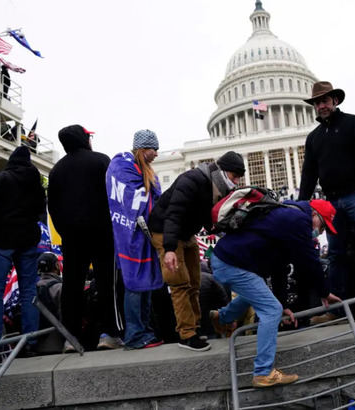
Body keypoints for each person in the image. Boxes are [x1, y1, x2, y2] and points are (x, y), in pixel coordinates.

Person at [209, 199, 341, 388]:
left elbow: (279, 268)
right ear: (314, 215)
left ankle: (222, 318)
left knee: (258, 295)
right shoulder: (298, 221)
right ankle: (263, 372)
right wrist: (324, 292)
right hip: (232, 264)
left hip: (226, 260)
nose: (320, 233)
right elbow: (310, 261)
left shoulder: (287, 215)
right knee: (271, 310)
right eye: (322, 226)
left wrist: (284, 305)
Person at [298, 81, 355, 324]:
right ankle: (337, 311)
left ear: (335, 101)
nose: (321, 105)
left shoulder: (353, 123)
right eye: (317, 102)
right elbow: (309, 173)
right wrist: (301, 205)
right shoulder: (314, 137)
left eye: (325, 100)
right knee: (336, 254)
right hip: (332, 201)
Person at [148, 151, 245, 351]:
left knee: (195, 281)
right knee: (179, 282)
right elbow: (173, 214)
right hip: (165, 231)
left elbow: (208, 217)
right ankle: (186, 334)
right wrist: (169, 249)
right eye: (234, 177)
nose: (235, 183)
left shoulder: (216, 186)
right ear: (223, 172)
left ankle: (195, 326)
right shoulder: (191, 180)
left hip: (186, 233)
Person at [48, 125, 122, 352]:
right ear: (83, 138)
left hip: (72, 236)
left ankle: (71, 338)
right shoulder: (101, 161)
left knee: (71, 287)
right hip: (102, 233)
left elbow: (53, 207)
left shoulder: (57, 170)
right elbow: (115, 196)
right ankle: (108, 333)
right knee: (106, 283)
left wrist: (65, 231)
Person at [0, 146, 45, 358]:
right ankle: (29, 343)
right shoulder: (36, 182)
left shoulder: (0, 179)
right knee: (29, 292)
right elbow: (41, 210)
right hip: (27, 241)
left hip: (0, 239)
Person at [106, 130, 164, 349]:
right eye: (153, 149)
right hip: (130, 234)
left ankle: (146, 332)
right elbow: (133, 200)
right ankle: (134, 335)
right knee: (134, 285)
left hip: (145, 235)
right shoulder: (122, 166)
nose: (157, 154)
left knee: (146, 285)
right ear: (142, 149)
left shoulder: (144, 170)